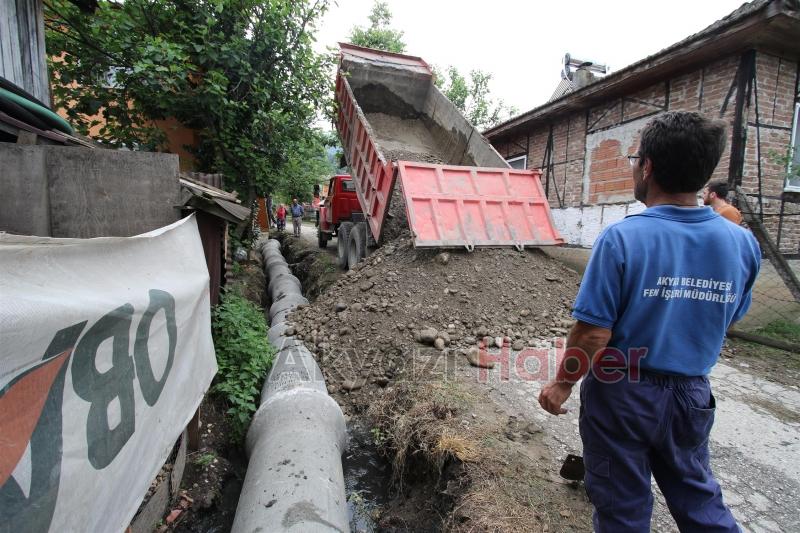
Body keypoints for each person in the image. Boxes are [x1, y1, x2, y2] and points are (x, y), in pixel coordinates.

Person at [538, 112, 760, 532]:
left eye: (634, 157)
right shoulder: (742, 243)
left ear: (649, 167)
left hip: (622, 394)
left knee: (622, 508)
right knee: (698, 497)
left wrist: (563, 383)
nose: (634, 167)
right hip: (692, 396)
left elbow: (592, 334)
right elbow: (730, 314)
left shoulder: (622, 238)